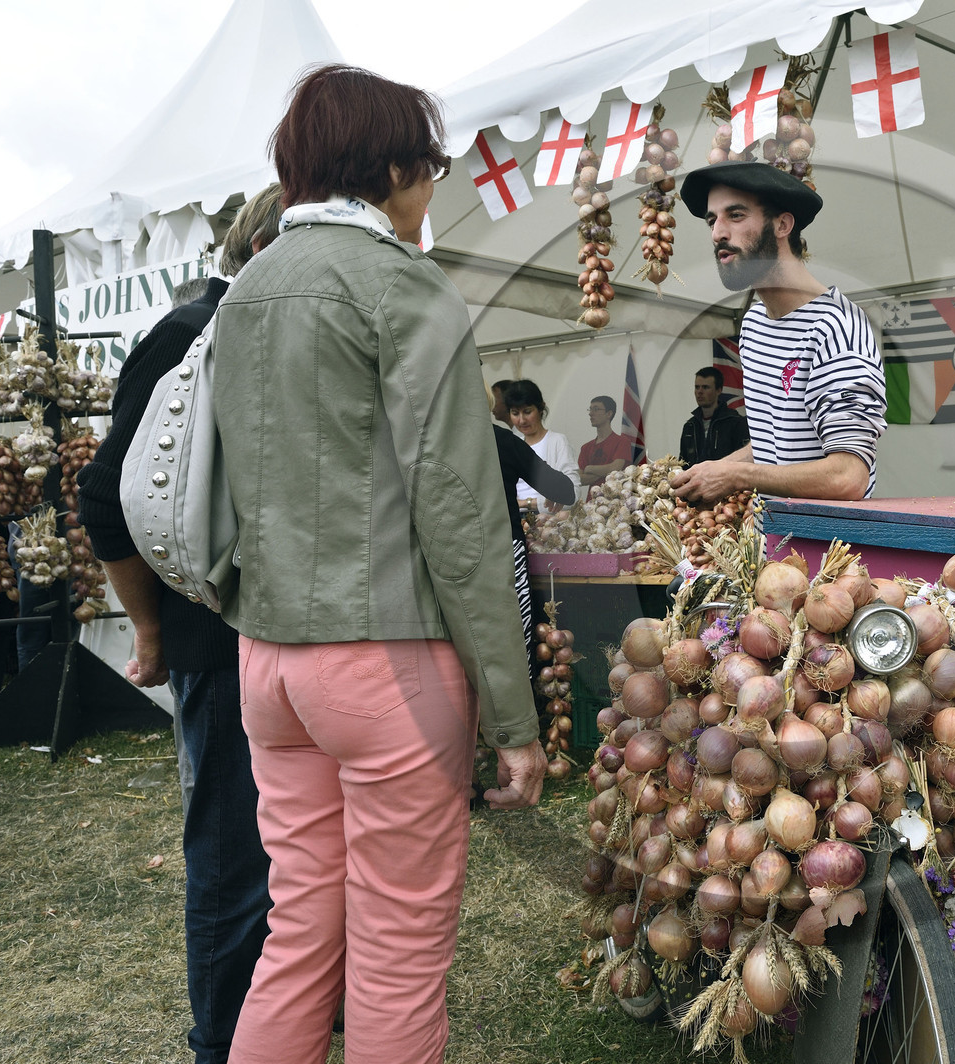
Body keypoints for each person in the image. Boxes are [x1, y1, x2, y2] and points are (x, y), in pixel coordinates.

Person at [208, 65, 544, 1064]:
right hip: (390, 657)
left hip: (269, 660)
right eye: (432, 166)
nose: (433, 187)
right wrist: (514, 719)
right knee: (398, 947)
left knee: (300, 928)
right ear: (394, 168)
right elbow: (461, 516)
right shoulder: (404, 285)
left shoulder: (248, 289)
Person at [76, 183, 284, 1064]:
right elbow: (104, 496)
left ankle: (292, 1011)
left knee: (294, 854)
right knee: (237, 854)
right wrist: (152, 638)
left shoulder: (285, 336)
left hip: (292, 642)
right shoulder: (189, 334)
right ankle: (223, 1040)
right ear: (276, 247)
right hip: (220, 642)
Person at [671, 161, 886, 504]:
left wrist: (734, 476)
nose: (717, 233)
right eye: (712, 221)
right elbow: (774, 445)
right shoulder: (755, 324)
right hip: (769, 548)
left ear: (783, 224)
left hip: (826, 552)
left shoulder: (838, 327)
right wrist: (705, 475)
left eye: (736, 215)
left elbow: (848, 477)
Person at [491, 416, 576, 657]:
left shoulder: (433, 444)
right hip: (502, 551)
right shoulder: (500, 440)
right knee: (513, 641)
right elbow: (563, 490)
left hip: (451, 556)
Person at [492, 378, 578, 511]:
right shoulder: (512, 444)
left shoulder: (558, 441)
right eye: (515, 413)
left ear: (541, 408)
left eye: (527, 412)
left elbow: (573, 494)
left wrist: (525, 503)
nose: (522, 420)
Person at [678, 365, 748, 467]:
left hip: (726, 480)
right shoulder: (689, 426)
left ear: (719, 390)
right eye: (697, 387)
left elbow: (744, 462)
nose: (700, 392)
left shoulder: (735, 422)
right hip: (694, 481)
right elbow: (682, 464)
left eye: (705, 387)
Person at [577, 394, 633, 488]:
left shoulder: (622, 442)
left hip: (615, 500)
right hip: (592, 501)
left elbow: (615, 468)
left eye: (596, 409)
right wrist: (604, 472)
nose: (591, 413)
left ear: (609, 414)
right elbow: (579, 479)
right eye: (590, 409)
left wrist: (589, 468)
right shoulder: (586, 447)